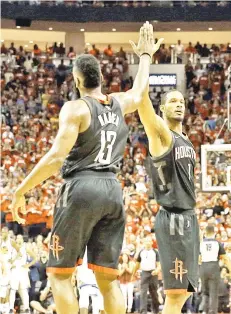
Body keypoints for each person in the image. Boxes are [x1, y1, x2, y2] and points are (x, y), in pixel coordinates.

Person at [11, 22, 164, 314]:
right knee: (108, 280)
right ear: (102, 78)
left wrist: (22, 189)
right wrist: (146, 55)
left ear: (77, 80)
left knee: (59, 274)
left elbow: (57, 157)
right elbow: (140, 90)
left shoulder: (76, 108)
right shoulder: (119, 102)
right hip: (113, 191)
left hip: (82, 187)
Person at [127, 53, 199, 312]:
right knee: (175, 294)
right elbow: (142, 101)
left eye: (182, 101)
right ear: (163, 109)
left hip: (189, 217)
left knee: (184, 294)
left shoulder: (187, 140)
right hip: (174, 217)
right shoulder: (161, 134)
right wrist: (145, 57)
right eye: (173, 102)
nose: (179, 105)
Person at [199, 225, 231, 314]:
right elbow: (225, 259)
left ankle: (204, 311)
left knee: (205, 292)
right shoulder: (217, 243)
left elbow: (198, 259)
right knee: (213, 293)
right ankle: (212, 312)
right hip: (213, 267)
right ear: (214, 233)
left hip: (203, 267)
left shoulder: (201, 243)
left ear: (205, 233)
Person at [133, 236, 160, 314]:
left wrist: (157, 270)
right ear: (144, 243)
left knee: (154, 293)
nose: (148, 242)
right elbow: (137, 264)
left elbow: (159, 264)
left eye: (149, 241)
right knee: (143, 293)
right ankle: (143, 311)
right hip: (144, 273)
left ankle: (156, 310)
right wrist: (133, 272)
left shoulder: (155, 252)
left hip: (153, 273)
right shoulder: (141, 252)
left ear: (152, 242)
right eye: (146, 241)